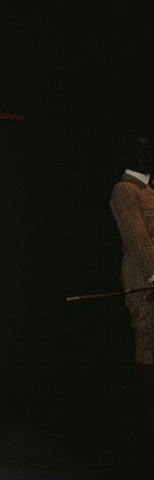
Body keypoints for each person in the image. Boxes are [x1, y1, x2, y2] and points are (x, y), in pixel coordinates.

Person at [109, 135, 154, 429]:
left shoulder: (149, 189)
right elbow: (137, 239)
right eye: (142, 151)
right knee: (148, 338)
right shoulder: (124, 190)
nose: (148, 156)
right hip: (143, 278)